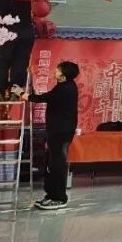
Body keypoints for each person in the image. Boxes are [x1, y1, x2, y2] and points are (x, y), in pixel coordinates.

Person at [16, 61, 79, 210]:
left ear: (63, 75)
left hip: (61, 132)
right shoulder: (63, 86)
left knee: (57, 165)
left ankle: (59, 198)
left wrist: (21, 93)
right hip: (56, 130)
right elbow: (47, 96)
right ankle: (50, 195)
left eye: (58, 70)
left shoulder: (66, 89)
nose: (55, 71)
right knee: (51, 164)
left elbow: (42, 98)